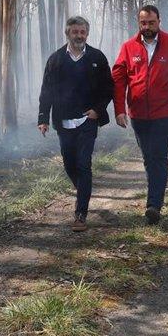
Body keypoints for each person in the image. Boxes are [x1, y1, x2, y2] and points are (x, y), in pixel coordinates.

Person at [112, 5, 168, 224]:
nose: (147, 27)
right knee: (148, 158)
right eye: (143, 23)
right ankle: (154, 197)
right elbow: (119, 79)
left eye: (151, 22)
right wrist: (119, 110)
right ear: (139, 23)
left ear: (159, 21)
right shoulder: (128, 47)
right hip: (137, 115)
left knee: (158, 156)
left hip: (165, 113)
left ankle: (154, 204)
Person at [38, 16, 114, 232]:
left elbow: (108, 88)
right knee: (69, 165)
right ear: (68, 33)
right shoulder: (55, 60)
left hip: (87, 121)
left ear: (87, 34)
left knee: (83, 164)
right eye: (75, 32)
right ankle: (83, 190)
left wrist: (97, 110)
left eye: (83, 32)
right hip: (63, 122)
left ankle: (80, 214)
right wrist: (43, 118)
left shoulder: (97, 58)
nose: (79, 36)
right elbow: (46, 91)